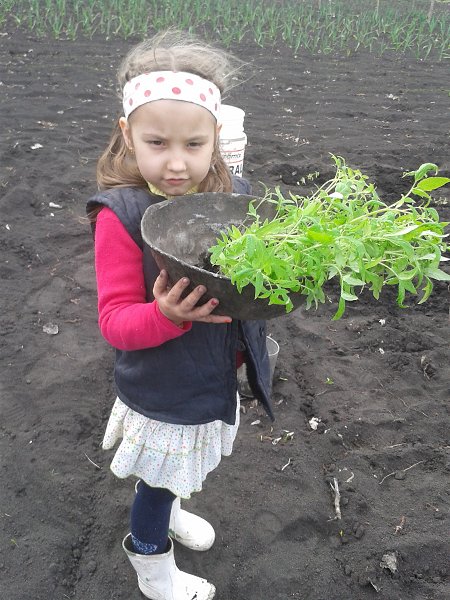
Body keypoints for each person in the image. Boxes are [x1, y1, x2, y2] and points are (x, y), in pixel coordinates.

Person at [87, 29, 273, 600]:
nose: (175, 163)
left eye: (194, 144)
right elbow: (115, 322)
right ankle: (152, 563)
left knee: (175, 474)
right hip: (164, 388)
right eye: (156, 142)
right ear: (127, 135)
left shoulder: (231, 195)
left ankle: (168, 510)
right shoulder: (120, 217)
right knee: (158, 482)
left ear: (217, 138)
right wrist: (165, 314)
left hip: (212, 374)